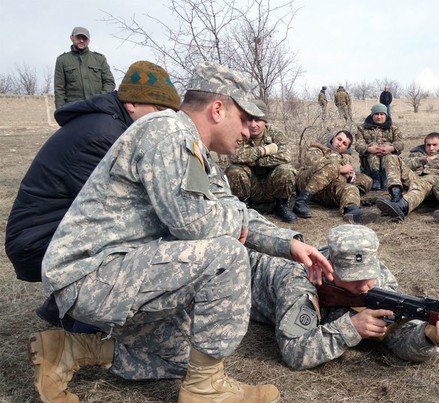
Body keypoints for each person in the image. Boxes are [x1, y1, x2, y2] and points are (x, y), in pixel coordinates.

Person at [30, 61, 333, 402]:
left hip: (117, 271)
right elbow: (194, 224)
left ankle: (70, 350)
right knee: (227, 255)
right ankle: (206, 389)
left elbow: (231, 210)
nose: (250, 131)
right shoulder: (168, 132)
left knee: (179, 353)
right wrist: (232, 220)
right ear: (218, 109)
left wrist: (289, 244)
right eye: (245, 119)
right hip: (89, 275)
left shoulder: (193, 148)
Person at [5, 61, 181, 331]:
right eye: (158, 110)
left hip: (45, 231)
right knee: (139, 237)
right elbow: (113, 211)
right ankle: (83, 324)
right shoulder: (103, 136)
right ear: (132, 103)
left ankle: (64, 310)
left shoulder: (111, 125)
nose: (164, 119)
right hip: (37, 240)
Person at [249, 224, 439, 370]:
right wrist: (350, 328)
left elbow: (395, 335)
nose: (364, 286)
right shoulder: (299, 280)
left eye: (367, 275)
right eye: (352, 278)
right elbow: (295, 352)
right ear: (328, 267)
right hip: (247, 274)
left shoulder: (380, 279)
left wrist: (426, 336)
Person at [225, 100, 298, 223]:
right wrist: (264, 150)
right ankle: (244, 207)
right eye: (250, 120)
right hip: (250, 185)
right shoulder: (240, 134)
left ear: (265, 121)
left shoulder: (276, 134)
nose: (253, 125)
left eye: (257, 120)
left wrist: (256, 162)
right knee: (235, 170)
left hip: (271, 185)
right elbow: (234, 155)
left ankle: (281, 206)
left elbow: (286, 156)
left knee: (286, 169)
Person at [293, 130, 377, 224]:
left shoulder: (344, 158)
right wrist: (340, 169)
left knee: (361, 182)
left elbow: (345, 176)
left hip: (325, 190)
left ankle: (352, 211)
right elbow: (313, 163)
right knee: (332, 166)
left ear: (347, 148)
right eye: (339, 139)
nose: (340, 144)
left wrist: (349, 176)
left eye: (344, 143)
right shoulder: (317, 148)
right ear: (333, 138)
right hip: (306, 182)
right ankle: (301, 201)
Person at [376, 132, 439, 221]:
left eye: (435, 145)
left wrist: (421, 164)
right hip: (417, 179)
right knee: (392, 158)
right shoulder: (418, 154)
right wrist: (424, 159)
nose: (431, 148)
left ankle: (402, 206)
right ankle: (396, 196)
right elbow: (405, 162)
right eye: (428, 145)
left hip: (438, 180)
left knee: (425, 180)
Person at [54, 27, 116, 110]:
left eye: (84, 38)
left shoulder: (99, 59)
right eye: (78, 37)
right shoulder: (62, 60)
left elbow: (109, 83)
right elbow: (59, 89)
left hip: (98, 108)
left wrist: (99, 99)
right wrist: (61, 112)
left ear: (89, 41)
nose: (81, 40)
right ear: (71, 38)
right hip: (74, 109)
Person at [355, 103, 404, 190]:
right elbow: (358, 144)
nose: (379, 117)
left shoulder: (394, 128)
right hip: (369, 163)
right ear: (372, 115)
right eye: (376, 114)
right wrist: (370, 149)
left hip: (389, 162)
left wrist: (390, 148)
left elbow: (400, 143)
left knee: (388, 151)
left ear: (386, 115)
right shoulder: (362, 128)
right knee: (373, 149)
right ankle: (375, 178)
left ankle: (386, 178)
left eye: (382, 114)